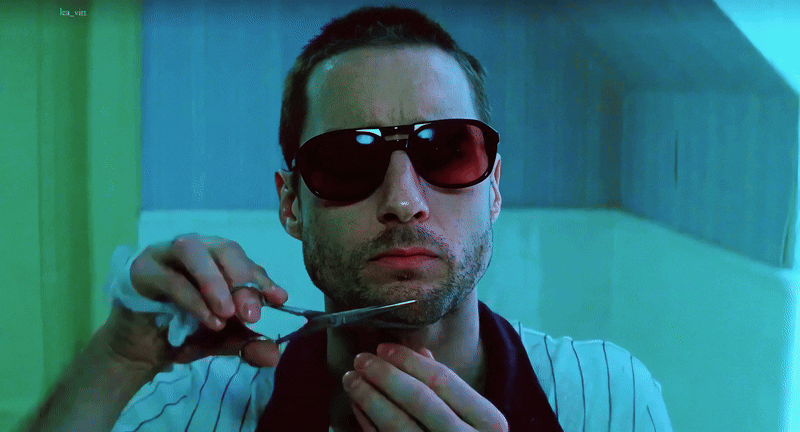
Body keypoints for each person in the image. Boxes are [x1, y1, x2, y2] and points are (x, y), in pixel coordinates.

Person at [22, 6, 673, 432]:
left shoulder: (606, 399)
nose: (404, 200)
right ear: (291, 204)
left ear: (494, 190)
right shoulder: (192, 408)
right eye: (346, 161)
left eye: (447, 151)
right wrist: (118, 356)